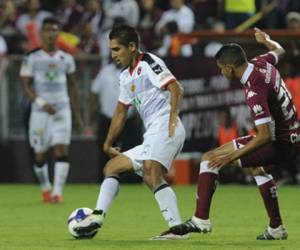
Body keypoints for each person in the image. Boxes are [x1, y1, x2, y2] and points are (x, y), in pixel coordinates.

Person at [160, 28, 300, 240]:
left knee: (210, 159)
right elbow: (278, 50)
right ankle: (276, 228)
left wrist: (231, 157)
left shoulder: (254, 89)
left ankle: (201, 220)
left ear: (230, 67)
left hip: (280, 142)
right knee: (255, 169)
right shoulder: (261, 63)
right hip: (291, 133)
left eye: (221, 69)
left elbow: (262, 136)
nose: (221, 73)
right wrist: (267, 40)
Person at [74, 25, 186, 240]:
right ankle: (97, 218)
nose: (113, 55)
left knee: (150, 172)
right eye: (111, 50)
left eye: (117, 49)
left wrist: (172, 118)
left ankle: (176, 231)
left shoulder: (149, 62)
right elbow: (120, 111)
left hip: (165, 126)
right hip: (152, 133)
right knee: (112, 167)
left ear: (132, 47)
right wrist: (108, 143)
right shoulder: (125, 76)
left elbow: (175, 88)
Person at [20, 17, 83, 203]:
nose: (50, 33)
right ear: (41, 34)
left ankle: (57, 192)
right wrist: (40, 102)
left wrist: (77, 115)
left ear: (58, 33)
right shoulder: (31, 58)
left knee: (61, 149)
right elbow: (25, 84)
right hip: (40, 112)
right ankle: (45, 187)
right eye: (47, 30)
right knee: (39, 154)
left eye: (54, 29)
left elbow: (73, 86)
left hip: (62, 110)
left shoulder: (67, 59)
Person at [89, 60, 142, 181]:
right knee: (105, 150)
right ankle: (105, 179)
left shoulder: (135, 72)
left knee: (131, 151)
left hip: (128, 119)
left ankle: (131, 181)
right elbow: (94, 92)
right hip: (107, 118)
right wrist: (93, 112)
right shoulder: (105, 71)